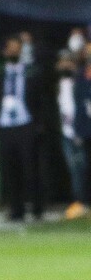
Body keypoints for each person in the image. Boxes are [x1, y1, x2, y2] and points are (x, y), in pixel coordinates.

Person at [0, 35, 43, 222]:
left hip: (25, 124)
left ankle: (36, 208)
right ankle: (16, 209)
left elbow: (39, 99)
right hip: (6, 125)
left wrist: (38, 125)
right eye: (10, 48)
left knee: (30, 169)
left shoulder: (29, 72)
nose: (13, 51)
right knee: (10, 170)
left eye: (16, 48)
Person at [55, 50, 87, 221]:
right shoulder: (57, 83)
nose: (65, 65)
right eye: (63, 61)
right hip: (66, 132)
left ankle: (82, 202)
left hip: (80, 131)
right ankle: (77, 203)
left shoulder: (80, 83)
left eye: (69, 62)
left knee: (81, 168)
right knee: (74, 169)